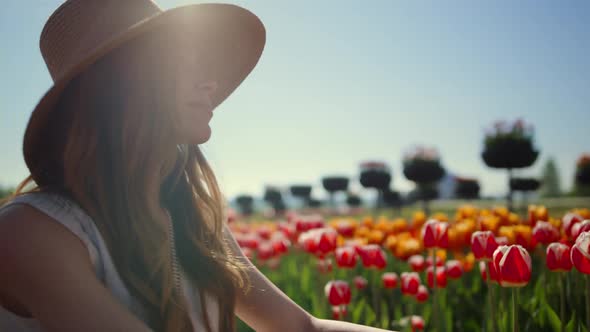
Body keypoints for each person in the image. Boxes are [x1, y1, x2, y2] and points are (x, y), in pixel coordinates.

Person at [0, 1, 395, 331]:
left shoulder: (191, 216)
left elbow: (300, 328)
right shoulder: (30, 232)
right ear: (119, 85)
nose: (209, 82)